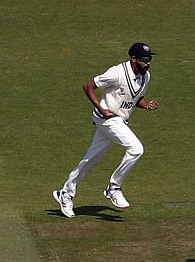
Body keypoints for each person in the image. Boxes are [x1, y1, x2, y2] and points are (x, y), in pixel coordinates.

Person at [54, 43, 158, 217]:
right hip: (106, 118)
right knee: (136, 149)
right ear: (133, 58)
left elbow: (135, 98)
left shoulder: (145, 76)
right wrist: (101, 108)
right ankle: (113, 187)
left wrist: (146, 105)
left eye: (150, 59)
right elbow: (88, 86)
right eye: (144, 60)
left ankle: (65, 193)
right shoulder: (116, 73)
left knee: (91, 159)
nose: (148, 63)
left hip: (119, 120)